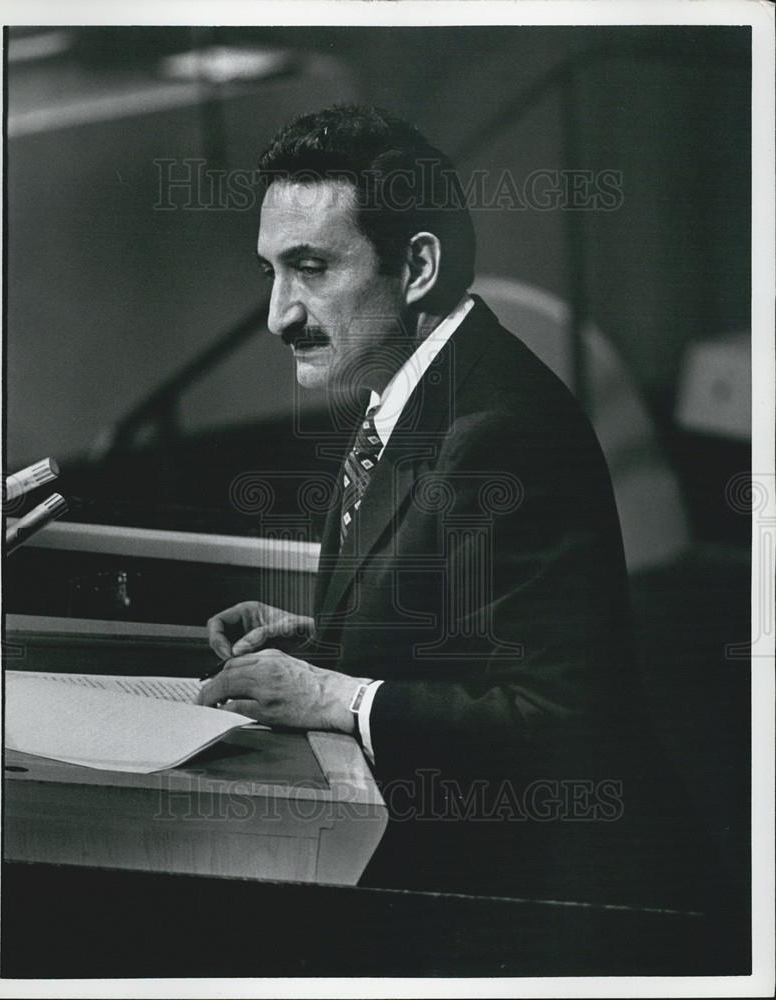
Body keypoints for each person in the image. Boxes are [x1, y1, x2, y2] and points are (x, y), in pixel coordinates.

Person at [196, 104, 718, 909]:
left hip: (570, 905)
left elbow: (560, 721)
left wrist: (332, 693)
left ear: (416, 267)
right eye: (269, 271)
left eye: (310, 268)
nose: (279, 315)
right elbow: (478, 628)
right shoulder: (414, 386)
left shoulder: (500, 430)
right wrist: (335, 637)